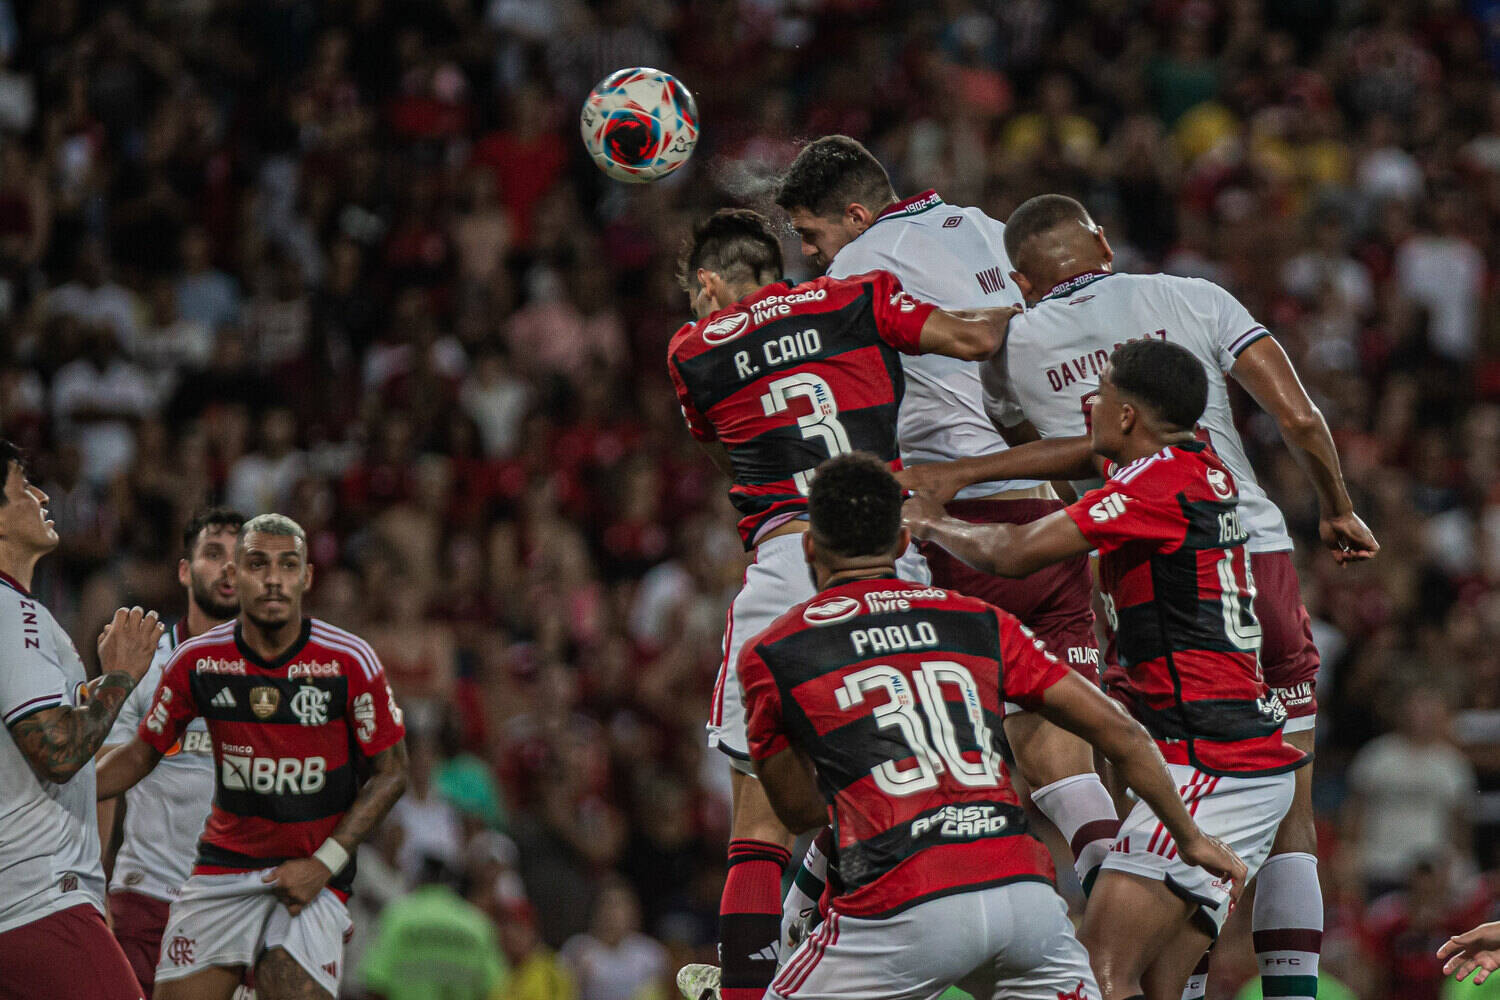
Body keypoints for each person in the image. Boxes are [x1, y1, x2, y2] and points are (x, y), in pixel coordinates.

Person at [902, 193, 1379, 1000]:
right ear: (1101, 242)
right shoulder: (1191, 297)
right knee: (1288, 811)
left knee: (1157, 798)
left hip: (1149, 580)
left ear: (1020, 277)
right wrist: (1335, 503)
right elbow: (1296, 416)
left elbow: (1069, 463)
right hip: (1255, 553)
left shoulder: (1012, 346)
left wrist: (947, 495)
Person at [665, 207, 1018, 1000]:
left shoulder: (693, 350)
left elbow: (728, 452)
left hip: (798, 559)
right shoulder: (858, 296)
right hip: (900, 560)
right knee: (899, 791)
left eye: (697, 297)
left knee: (760, 819)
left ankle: (751, 986)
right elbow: (976, 340)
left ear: (711, 285)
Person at [739, 450, 1246, 1000]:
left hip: (898, 910)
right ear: (904, 542)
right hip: (1024, 902)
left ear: (811, 547)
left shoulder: (773, 652)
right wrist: (1190, 838)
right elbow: (1120, 732)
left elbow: (797, 811)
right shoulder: (978, 621)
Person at [903, 340, 1309, 1000]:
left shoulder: (1155, 486)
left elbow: (1015, 552)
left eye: (1102, 393)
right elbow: (1076, 454)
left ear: (1124, 416)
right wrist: (966, 471)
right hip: (1232, 758)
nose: (1088, 404)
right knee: (1157, 989)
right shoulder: (1195, 464)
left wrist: (933, 522)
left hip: (1210, 765)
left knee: (1098, 973)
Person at [774, 136, 1115, 913]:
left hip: (951, 526)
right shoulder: (990, 228)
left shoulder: (862, 267)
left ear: (855, 215)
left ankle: (774, 958)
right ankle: (1132, 953)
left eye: (812, 233)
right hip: (1044, 517)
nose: (810, 253)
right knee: (1069, 774)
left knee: (887, 757)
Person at [97, 513, 410, 1000]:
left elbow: (393, 774)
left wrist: (324, 864)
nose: (272, 579)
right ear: (237, 574)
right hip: (218, 874)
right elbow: (138, 757)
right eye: (258, 564)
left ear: (306, 576)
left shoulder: (349, 661)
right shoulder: (196, 662)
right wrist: (56, 781)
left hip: (305, 876)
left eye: (288, 566)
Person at [0, 438, 163, 1000]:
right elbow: (59, 752)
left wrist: (98, 698)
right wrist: (119, 676)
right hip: (37, 898)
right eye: (24, 486)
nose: (43, 495)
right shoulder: (10, 612)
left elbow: (40, 757)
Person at [98, 506, 244, 995]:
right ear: (184, 569)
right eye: (213, 553)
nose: (228, 568)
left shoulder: (273, 676)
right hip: (145, 895)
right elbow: (100, 781)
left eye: (240, 557)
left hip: (233, 902)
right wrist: (92, 887)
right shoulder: (145, 659)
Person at [357, 856, 508, 1000]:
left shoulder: (398, 917)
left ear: (418, 880)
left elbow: (375, 982)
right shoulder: (477, 923)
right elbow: (495, 987)